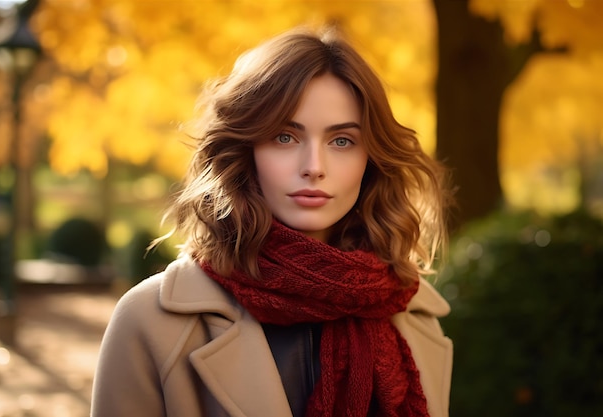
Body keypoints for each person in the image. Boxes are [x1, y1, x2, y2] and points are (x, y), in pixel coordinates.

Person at [91, 26, 453, 417]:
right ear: (245, 150)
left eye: (342, 141)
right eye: (285, 137)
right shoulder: (150, 322)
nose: (314, 167)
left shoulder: (413, 315)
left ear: (372, 160)